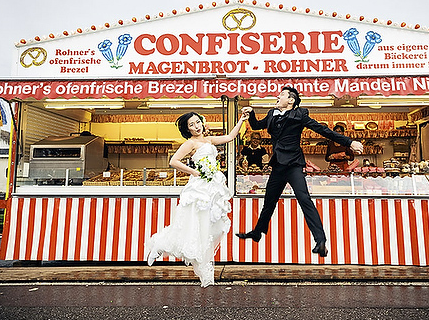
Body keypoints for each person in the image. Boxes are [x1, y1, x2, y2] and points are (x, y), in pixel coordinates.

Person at [237, 86, 364, 257]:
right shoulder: (271, 114)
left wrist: (349, 142)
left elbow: (323, 130)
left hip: (293, 164)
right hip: (278, 165)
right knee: (269, 201)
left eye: (281, 94)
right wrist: (250, 113)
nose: (277, 96)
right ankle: (258, 232)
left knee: (304, 199)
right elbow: (256, 126)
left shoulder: (299, 115)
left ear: (291, 100)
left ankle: (320, 240)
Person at [146, 109, 249, 287]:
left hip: (212, 185)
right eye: (191, 125)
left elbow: (230, 137)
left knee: (211, 226)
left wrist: (241, 119)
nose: (196, 127)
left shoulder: (208, 140)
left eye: (197, 122)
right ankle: (162, 246)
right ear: (188, 129)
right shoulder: (190, 143)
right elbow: (174, 161)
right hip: (199, 187)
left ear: (202, 122)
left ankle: (203, 265)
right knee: (194, 224)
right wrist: (194, 171)